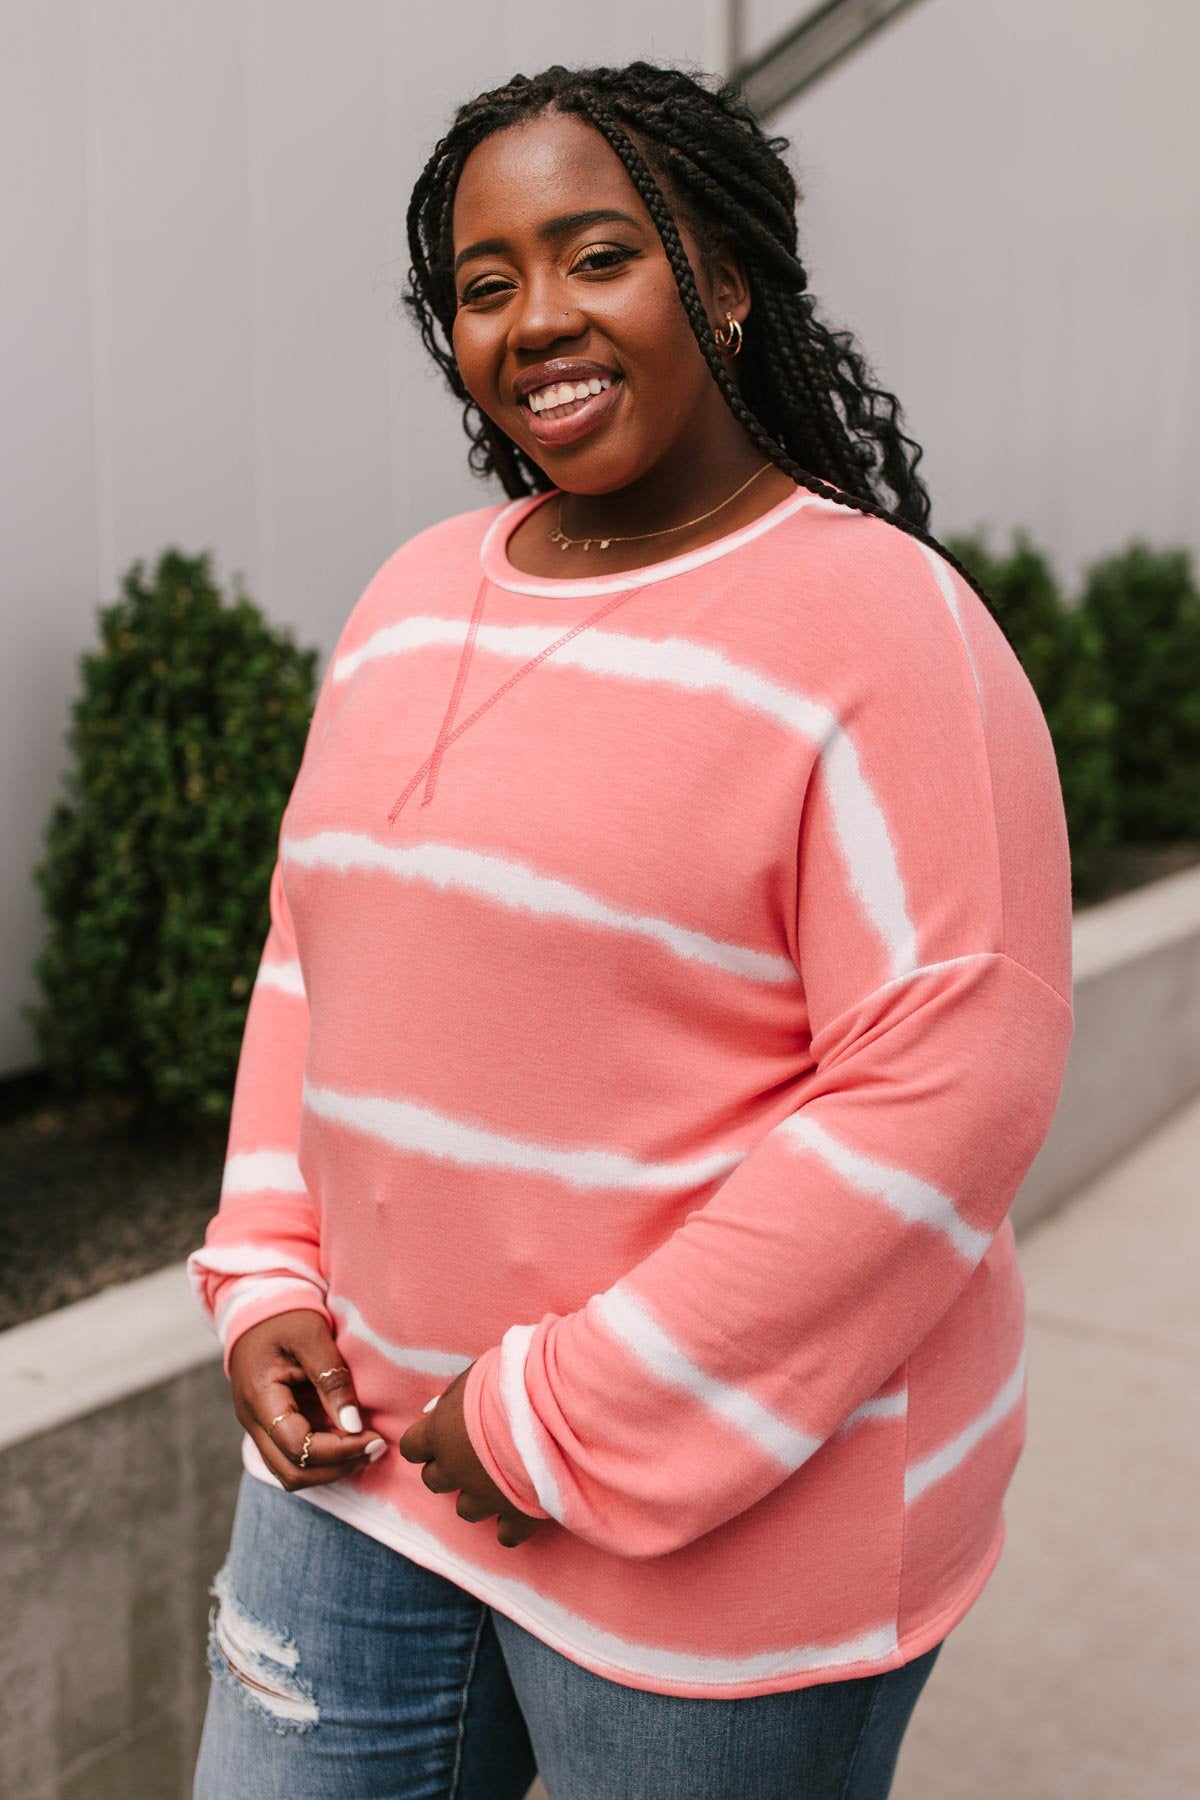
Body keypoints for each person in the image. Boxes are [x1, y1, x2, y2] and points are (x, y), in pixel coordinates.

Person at [188, 58, 1074, 1800]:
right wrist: (264, 1272)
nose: (536, 320)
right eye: (484, 282)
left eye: (600, 255)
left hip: (732, 1548)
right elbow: (314, 962)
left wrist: (557, 1418)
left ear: (726, 280)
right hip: (358, 1476)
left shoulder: (886, 634)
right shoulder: (409, 595)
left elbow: (941, 1101)